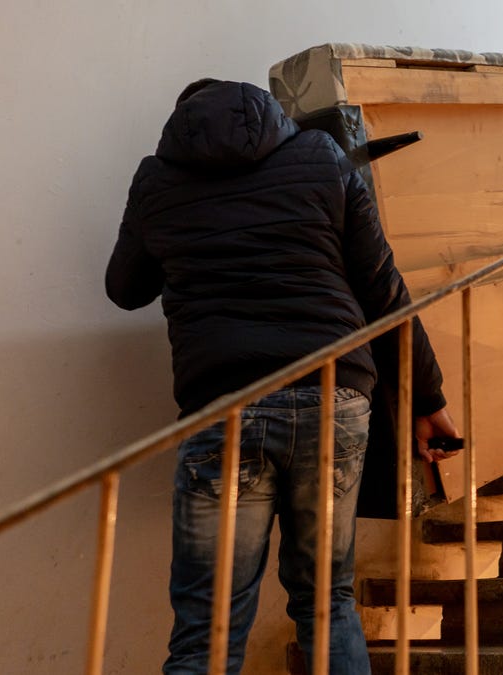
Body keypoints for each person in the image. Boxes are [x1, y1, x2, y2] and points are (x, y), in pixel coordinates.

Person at [105, 79, 459, 675]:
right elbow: (383, 289)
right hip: (333, 395)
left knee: (206, 634)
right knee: (328, 600)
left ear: (180, 124)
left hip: (226, 408)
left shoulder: (157, 180)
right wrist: (428, 398)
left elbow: (125, 289)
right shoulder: (320, 155)